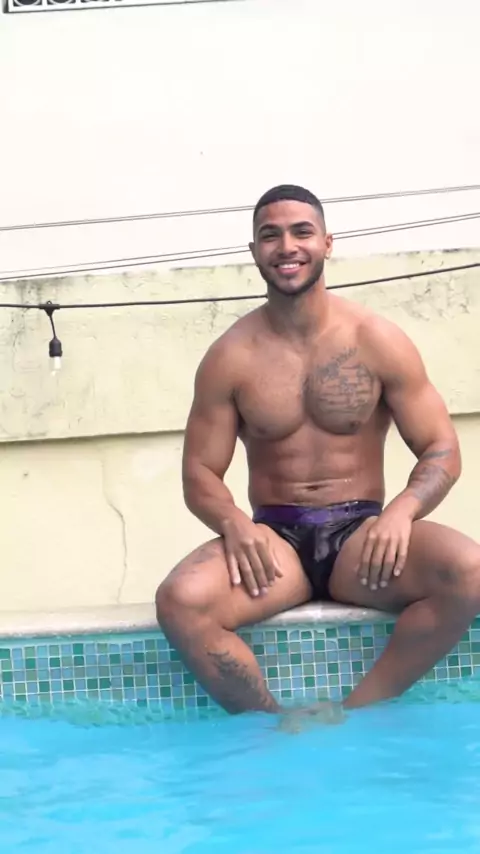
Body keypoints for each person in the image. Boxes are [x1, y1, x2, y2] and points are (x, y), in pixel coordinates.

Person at [155, 184, 480, 717]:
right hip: (274, 546)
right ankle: (272, 724)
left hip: (362, 541)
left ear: (327, 243)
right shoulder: (230, 356)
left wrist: (402, 511)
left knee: (469, 570)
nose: (287, 246)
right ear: (254, 251)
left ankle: (357, 713)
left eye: (301, 232)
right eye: (270, 235)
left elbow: (440, 446)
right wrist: (234, 524)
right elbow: (200, 472)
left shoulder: (376, 339)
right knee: (180, 601)